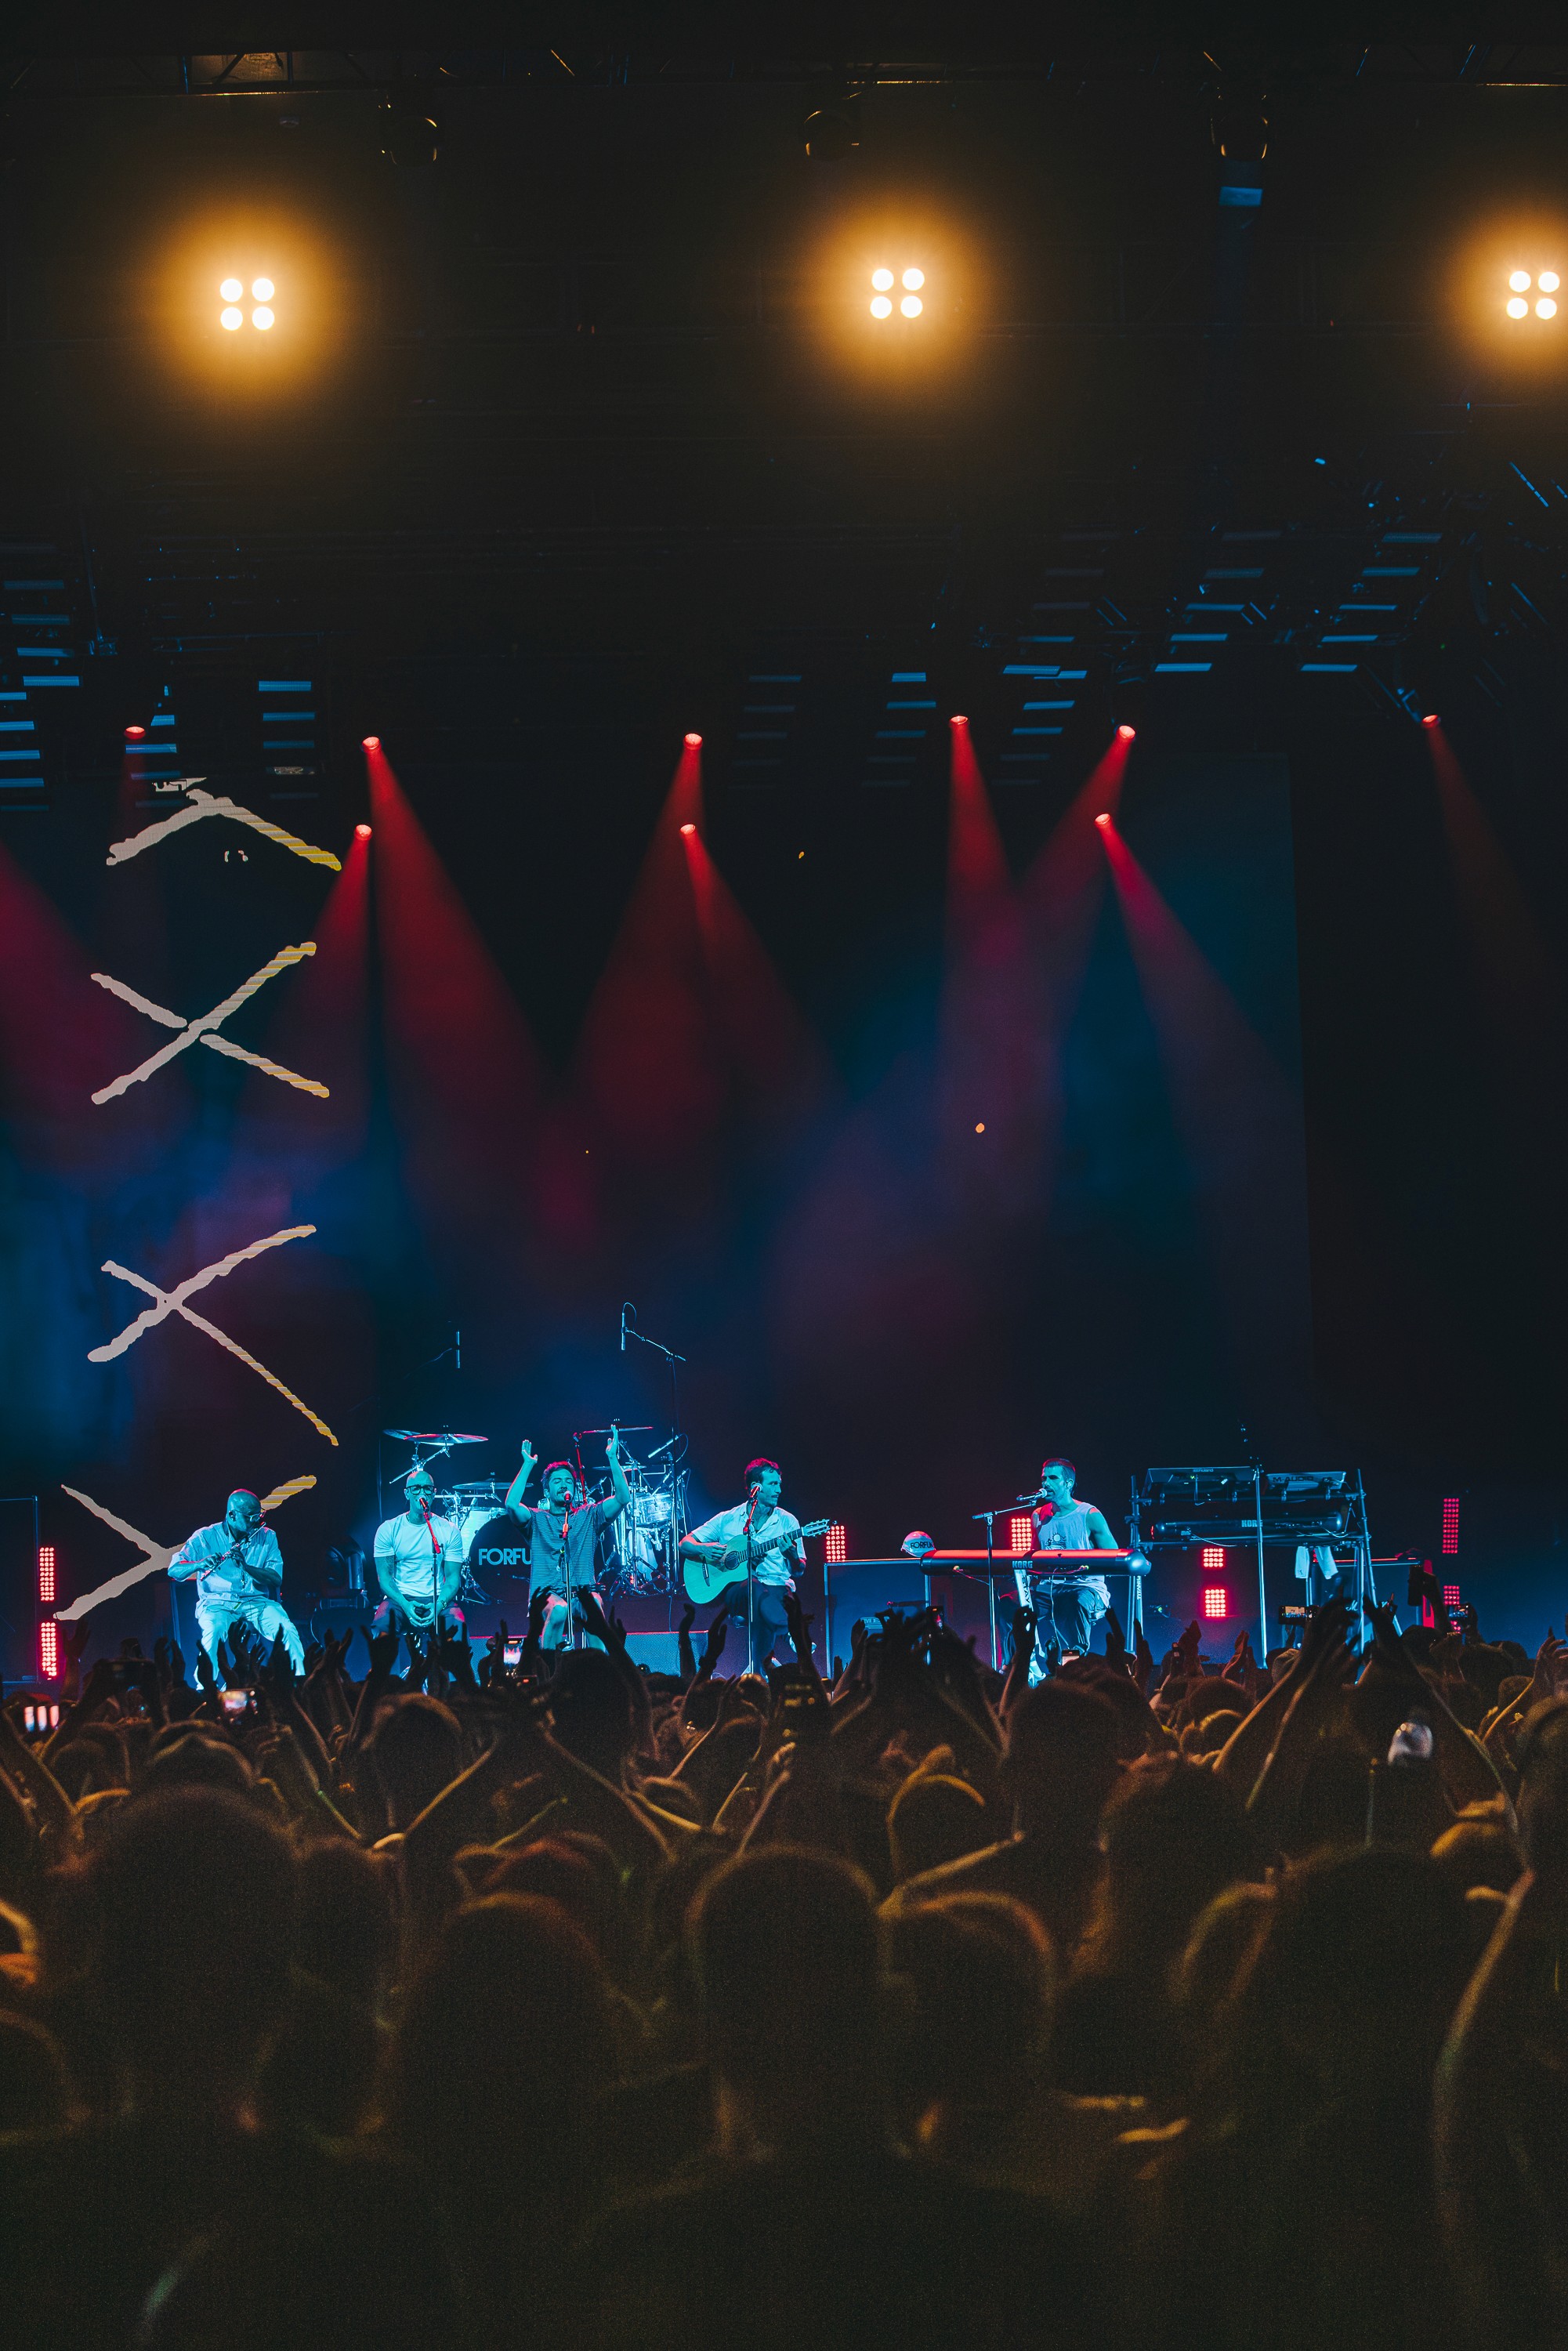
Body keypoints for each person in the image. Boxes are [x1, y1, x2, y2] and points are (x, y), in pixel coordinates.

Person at [505, 1429, 632, 1648]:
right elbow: (511, 1505)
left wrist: (612, 1458)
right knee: (559, 1609)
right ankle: (549, 1663)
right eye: (557, 1481)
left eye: (568, 1481)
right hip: (546, 1595)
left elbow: (623, 1498)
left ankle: (599, 1663)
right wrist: (527, 1465)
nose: (564, 1484)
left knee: (594, 1604)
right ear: (547, 1492)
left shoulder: (589, 1515)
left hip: (582, 1591)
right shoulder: (536, 1519)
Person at [680, 1458, 803, 1673]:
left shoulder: (788, 1522)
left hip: (778, 1589)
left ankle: (758, 1672)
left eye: (779, 1484)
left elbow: (800, 1570)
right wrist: (705, 1549)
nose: (779, 1490)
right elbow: (684, 1544)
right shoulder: (727, 1519)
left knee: (764, 1606)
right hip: (739, 1592)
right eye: (773, 1484)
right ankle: (789, 1632)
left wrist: (793, 1556)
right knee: (753, 1586)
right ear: (756, 1487)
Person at [168, 1487, 305, 1671]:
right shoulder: (206, 1537)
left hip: (256, 1602)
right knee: (214, 1632)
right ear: (232, 1515)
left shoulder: (268, 1536)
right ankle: (206, 1685)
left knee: (287, 1629)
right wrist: (199, 1564)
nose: (256, 1520)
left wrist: (246, 1568)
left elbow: (275, 1578)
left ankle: (299, 1680)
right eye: (250, 1517)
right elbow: (174, 1570)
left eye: (259, 1515)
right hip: (218, 1603)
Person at [1015, 1457, 1118, 1667]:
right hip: (1048, 1588)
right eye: (1044, 1478)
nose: (1046, 1483)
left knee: (1074, 1602)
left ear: (1068, 1483)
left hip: (1085, 1587)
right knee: (1011, 1604)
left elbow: (1114, 1556)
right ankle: (1025, 1662)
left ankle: (1073, 1666)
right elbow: (1035, 1558)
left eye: (1053, 1478)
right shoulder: (1038, 1516)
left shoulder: (1089, 1514)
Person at [372, 1466, 465, 1634]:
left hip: (438, 1598)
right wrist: (405, 1604)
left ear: (433, 1493)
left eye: (427, 1488)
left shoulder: (450, 1530)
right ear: (407, 1493)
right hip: (400, 1598)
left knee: (458, 1628)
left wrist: (438, 1605)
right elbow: (384, 1578)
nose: (422, 1492)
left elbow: (452, 1578)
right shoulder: (388, 1529)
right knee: (381, 1628)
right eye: (416, 1488)